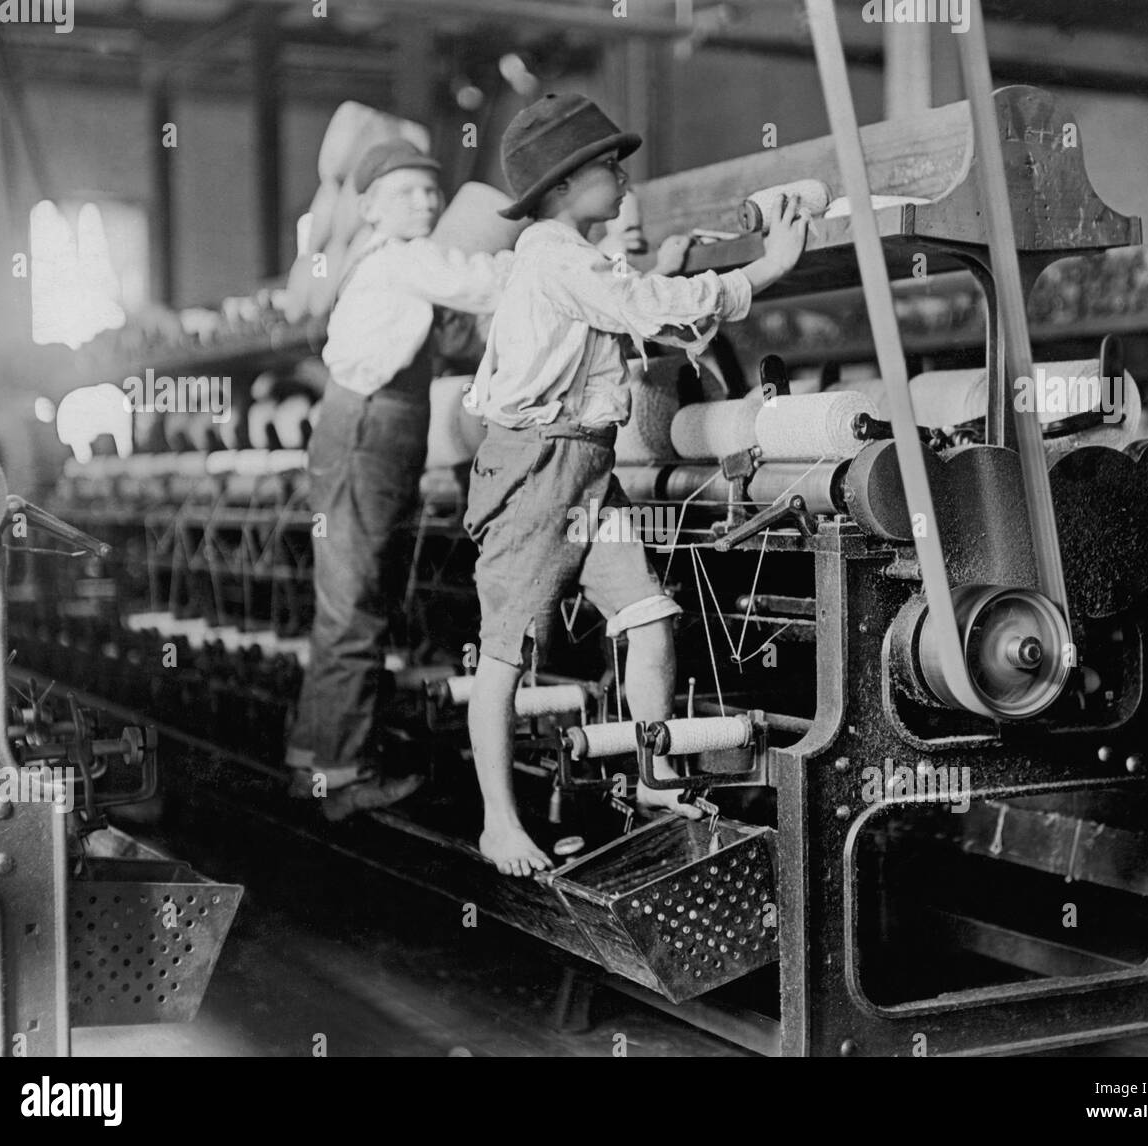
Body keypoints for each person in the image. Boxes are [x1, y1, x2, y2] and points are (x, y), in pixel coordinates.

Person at [462, 93, 808, 875]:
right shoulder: (554, 254)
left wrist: (689, 267)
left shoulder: (580, 257)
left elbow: (643, 304)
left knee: (649, 616)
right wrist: (764, 270)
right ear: (558, 188)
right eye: (607, 167)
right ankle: (497, 823)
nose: (623, 179)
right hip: (535, 470)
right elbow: (648, 308)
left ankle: (654, 775)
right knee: (506, 655)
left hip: (586, 467)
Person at [286, 139, 511, 822]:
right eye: (406, 191)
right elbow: (486, 282)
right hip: (369, 435)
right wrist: (558, 253)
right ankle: (342, 776)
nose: (425, 200)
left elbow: (451, 336)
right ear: (370, 207)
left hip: (368, 432)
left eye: (429, 189)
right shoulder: (406, 258)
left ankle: (316, 762)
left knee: (352, 605)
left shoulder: (386, 263)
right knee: (354, 608)